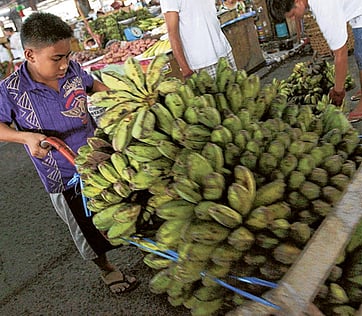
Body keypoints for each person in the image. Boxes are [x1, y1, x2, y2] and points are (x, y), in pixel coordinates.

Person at [0, 12, 139, 294]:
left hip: (101, 158)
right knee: (87, 229)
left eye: (67, 56)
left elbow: (93, 86)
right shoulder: (11, 90)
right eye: (56, 58)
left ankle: (147, 249)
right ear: (30, 54)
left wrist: (120, 99)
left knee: (128, 206)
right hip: (62, 175)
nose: (64, 64)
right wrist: (25, 136)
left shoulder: (73, 69)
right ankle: (107, 268)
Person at [269, 0, 362, 123]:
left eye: (292, 14)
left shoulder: (324, 9)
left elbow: (341, 54)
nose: (293, 18)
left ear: (298, 2)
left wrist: (338, 91)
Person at [159, 0, 237, 79]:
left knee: (237, 88)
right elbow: (172, 34)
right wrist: (185, 69)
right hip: (202, 63)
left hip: (223, 51)